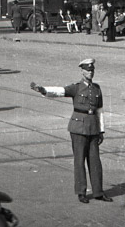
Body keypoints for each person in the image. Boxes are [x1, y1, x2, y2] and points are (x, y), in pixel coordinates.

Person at [31, 57, 112, 204]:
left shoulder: (97, 89)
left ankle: (98, 192)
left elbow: (99, 110)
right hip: (78, 128)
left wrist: (101, 130)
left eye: (92, 70)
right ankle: (81, 192)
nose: (90, 72)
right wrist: (43, 90)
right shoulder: (76, 87)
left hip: (93, 128)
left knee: (95, 161)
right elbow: (60, 91)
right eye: (88, 70)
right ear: (82, 71)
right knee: (79, 160)